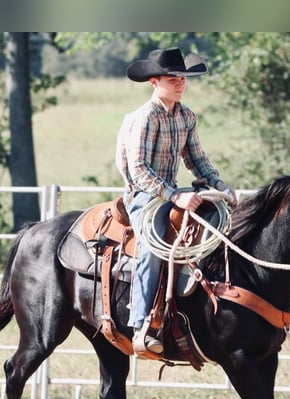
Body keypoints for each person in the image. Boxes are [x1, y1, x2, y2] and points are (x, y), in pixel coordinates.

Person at [115, 47, 236, 354]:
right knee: (152, 248)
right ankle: (141, 323)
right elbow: (138, 169)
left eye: (182, 78)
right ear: (154, 82)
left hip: (173, 193)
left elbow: (197, 159)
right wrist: (175, 195)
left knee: (220, 226)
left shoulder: (186, 117)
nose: (180, 83)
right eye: (172, 79)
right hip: (144, 196)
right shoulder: (145, 118)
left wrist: (221, 185)